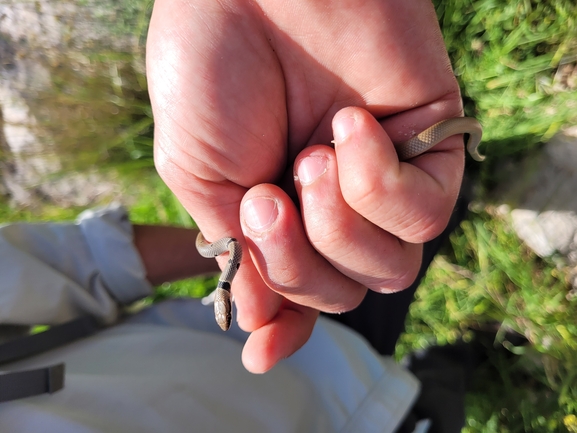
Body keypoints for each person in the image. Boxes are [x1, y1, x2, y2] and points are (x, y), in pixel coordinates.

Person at [146, 0, 469, 374]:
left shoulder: (227, 245)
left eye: (228, 308)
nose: (231, 310)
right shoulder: (228, 249)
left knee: (399, 204)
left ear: (226, 299)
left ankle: (464, 170)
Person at [0, 205, 425, 432]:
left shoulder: (238, 276)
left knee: (401, 234)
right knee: (438, 386)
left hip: (303, 359)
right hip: (321, 388)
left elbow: (81, 260)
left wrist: (268, 247)